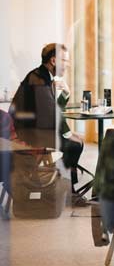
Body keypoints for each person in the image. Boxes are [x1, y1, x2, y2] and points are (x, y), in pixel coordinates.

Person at [10, 43, 87, 206]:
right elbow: (52, 114)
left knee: (73, 143)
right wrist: (67, 134)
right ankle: (68, 190)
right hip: (29, 134)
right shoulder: (38, 79)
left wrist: (66, 94)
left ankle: (66, 186)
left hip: (35, 129)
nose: (67, 64)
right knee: (74, 145)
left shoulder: (41, 76)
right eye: (65, 60)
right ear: (53, 60)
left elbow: (52, 110)